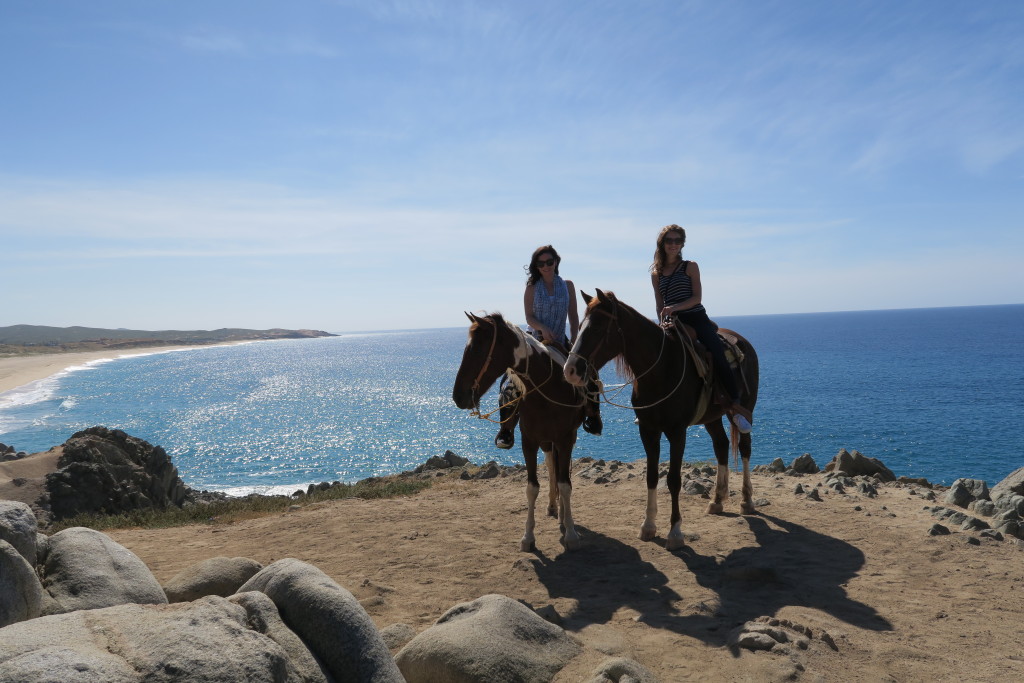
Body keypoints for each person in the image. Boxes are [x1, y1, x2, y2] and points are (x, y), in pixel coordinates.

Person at [495, 245, 603, 449]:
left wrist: (575, 340)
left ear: (556, 262)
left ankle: (592, 416)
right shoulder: (532, 287)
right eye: (541, 263)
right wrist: (543, 328)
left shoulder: (568, 285)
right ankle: (506, 430)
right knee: (509, 383)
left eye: (549, 262)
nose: (546, 266)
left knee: (590, 377)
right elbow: (528, 317)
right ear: (536, 266)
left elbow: (572, 316)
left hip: (560, 341)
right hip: (534, 341)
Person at [650, 225, 752, 433]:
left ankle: (736, 405)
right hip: (673, 321)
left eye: (678, 241)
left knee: (717, 351)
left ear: (682, 244)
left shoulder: (690, 266)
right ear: (662, 243)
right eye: (669, 240)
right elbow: (659, 303)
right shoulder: (656, 272)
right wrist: (663, 318)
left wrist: (674, 308)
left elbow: (697, 298)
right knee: (655, 354)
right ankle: (654, 403)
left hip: (696, 318)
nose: (673, 244)